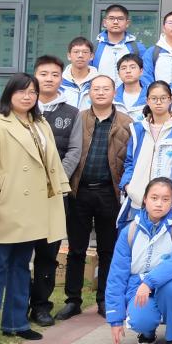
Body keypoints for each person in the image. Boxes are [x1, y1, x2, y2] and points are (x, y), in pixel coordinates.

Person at [0, 73, 71, 344]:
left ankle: (16, 323)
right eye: (22, 92)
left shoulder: (40, 123)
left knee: (21, 266)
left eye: (32, 92)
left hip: (33, 207)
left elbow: (52, 163)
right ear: (9, 94)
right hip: (5, 205)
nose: (28, 97)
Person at [58, 73, 133, 321]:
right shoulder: (78, 119)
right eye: (96, 89)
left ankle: (104, 299)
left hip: (109, 192)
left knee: (107, 249)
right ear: (89, 93)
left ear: (114, 92)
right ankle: (73, 300)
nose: (100, 93)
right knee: (76, 248)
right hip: (79, 191)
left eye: (105, 89)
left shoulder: (126, 122)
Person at [104, 176, 172, 344]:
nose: (159, 203)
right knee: (140, 320)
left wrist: (149, 281)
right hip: (137, 286)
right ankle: (147, 331)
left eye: (165, 199)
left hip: (168, 283)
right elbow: (117, 275)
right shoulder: (129, 231)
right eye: (154, 198)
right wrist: (115, 319)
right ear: (144, 199)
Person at [29, 55, 81, 328]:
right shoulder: (23, 107)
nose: (49, 79)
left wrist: (56, 179)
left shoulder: (71, 112)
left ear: (62, 78)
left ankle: (41, 306)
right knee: (21, 253)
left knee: (48, 253)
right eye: (44, 73)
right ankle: (20, 303)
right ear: (34, 76)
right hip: (24, 193)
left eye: (55, 74)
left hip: (55, 193)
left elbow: (74, 150)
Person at [119, 81, 172, 226]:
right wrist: (128, 185)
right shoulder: (138, 129)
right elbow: (129, 161)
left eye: (163, 98)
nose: (159, 102)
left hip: (166, 201)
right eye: (154, 98)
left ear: (171, 99)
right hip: (138, 199)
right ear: (147, 100)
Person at [94, 4, 145, 80]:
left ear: (127, 23)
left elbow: (144, 74)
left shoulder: (137, 48)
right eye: (111, 18)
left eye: (120, 19)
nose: (115, 22)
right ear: (104, 22)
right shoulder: (94, 47)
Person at [60, 37, 99, 110]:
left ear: (91, 56)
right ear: (69, 56)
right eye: (76, 52)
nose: (80, 55)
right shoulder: (59, 83)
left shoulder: (99, 82)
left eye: (85, 52)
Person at [114, 53, 150, 121]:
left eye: (132, 67)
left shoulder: (151, 94)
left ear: (141, 71)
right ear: (118, 73)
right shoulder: (112, 97)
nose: (128, 71)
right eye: (123, 68)